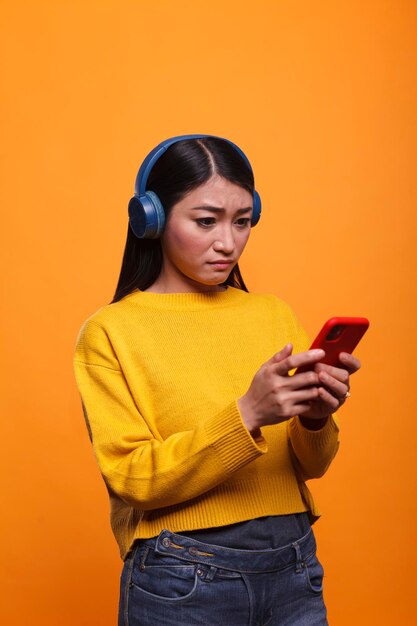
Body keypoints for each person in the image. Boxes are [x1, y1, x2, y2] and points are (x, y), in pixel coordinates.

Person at [73, 134, 360, 626]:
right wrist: (247, 414)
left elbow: (312, 467)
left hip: (294, 567)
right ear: (152, 219)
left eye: (242, 221)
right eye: (206, 221)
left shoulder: (273, 314)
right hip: (182, 577)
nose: (228, 242)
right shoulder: (111, 332)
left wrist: (315, 418)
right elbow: (132, 478)